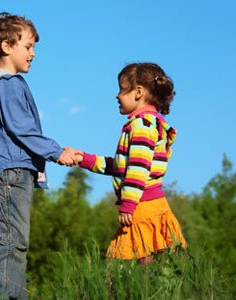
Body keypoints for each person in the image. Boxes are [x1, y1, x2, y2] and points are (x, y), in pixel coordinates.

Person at [0, 12, 80, 299]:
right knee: (10, 241)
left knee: (14, 240)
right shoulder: (9, 84)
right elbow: (22, 128)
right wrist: (57, 152)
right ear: (7, 46)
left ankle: (14, 294)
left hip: (6, 172)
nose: (32, 54)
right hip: (10, 172)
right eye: (28, 46)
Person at [76, 63, 187, 263]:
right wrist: (85, 159)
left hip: (142, 205)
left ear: (138, 92)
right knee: (146, 266)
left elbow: (138, 168)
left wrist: (128, 204)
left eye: (121, 89)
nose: (117, 96)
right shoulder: (151, 123)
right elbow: (124, 166)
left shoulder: (141, 125)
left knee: (126, 266)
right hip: (150, 202)